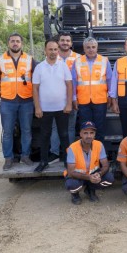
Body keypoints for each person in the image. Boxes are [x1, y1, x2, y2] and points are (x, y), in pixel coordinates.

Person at [0, 33, 37, 170]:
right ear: (8, 43)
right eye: (12, 41)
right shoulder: (0, 60)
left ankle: (25, 156)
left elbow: (35, 79)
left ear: (21, 44)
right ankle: (8, 158)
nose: (15, 43)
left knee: (26, 130)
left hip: (26, 100)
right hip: (8, 101)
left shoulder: (30, 59)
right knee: (7, 131)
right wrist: (6, 91)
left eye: (18, 41)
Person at [33, 39, 73, 172]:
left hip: (62, 108)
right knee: (45, 135)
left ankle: (67, 161)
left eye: (56, 49)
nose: (53, 52)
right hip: (45, 109)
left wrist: (68, 104)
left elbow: (69, 85)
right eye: (50, 49)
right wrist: (37, 107)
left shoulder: (63, 66)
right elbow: (35, 89)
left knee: (64, 135)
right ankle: (44, 161)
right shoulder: (39, 67)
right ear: (45, 51)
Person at [71, 37, 113, 142]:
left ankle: (99, 153)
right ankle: (87, 153)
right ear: (84, 49)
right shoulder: (77, 62)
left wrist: (110, 96)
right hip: (83, 101)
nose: (91, 49)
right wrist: (74, 98)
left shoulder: (104, 61)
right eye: (88, 47)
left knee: (99, 128)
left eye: (93, 47)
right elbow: (73, 81)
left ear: (97, 48)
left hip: (100, 100)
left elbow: (110, 80)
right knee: (86, 129)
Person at [64, 121, 114, 205]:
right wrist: (89, 177)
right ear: (80, 134)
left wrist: (99, 174)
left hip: (92, 174)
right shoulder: (72, 148)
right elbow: (71, 172)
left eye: (91, 133)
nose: (89, 136)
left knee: (109, 179)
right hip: (77, 176)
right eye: (85, 133)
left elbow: (105, 165)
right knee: (71, 184)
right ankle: (75, 194)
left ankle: (90, 189)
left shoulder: (99, 144)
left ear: (94, 134)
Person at [49, 32, 80, 161]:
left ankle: (69, 152)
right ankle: (55, 152)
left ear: (71, 43)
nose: (65, 43)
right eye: (62, 40)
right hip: (56, 98)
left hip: (72, 98)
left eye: (68, 41)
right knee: (55, 126)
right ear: (58, 42)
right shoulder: (52, 57)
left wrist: (75, 98)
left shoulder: (79, 58)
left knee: (70, 127)